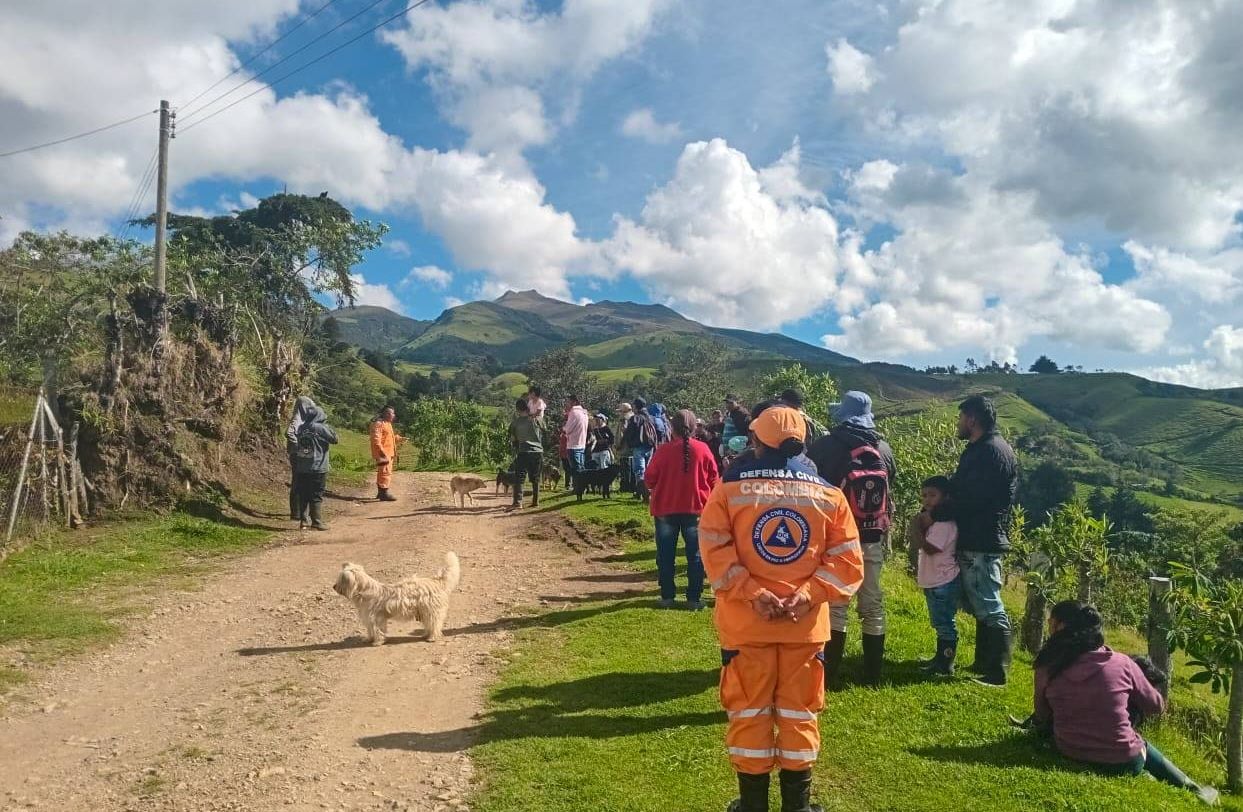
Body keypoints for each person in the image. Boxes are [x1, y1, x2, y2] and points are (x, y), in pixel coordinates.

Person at [700, 406, 864, 812]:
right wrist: (808, 594)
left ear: (756, 440)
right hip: (804, 630)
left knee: (750, 711)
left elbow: (714, 547)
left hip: (746, 627)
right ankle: (799, 806)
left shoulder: (729, 490)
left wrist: (752, 591)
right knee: (799, 715)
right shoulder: (829, 495)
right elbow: (847, 563)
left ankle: (752, 805)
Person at [1031, 601, 1220, 806]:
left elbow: (1041, 714)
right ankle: (1192, 787)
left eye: (1051, 622)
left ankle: (1149, 774)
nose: (1048, 627)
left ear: (1061, 627)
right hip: (1124, 759)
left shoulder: (1047, 664)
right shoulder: (1122, 663)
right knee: (1141, 745)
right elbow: (1156, 707)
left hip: (1068, 748)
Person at [807, 390, 897, 687]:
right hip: (872, 533)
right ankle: (873, 674)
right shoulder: (883, 447)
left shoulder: (826, 447)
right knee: (872, 602)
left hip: (837, 535)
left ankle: (830, 674)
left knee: (837, 602)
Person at [933, 394, 1019, 687]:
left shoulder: (988, 452)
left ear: (972, 419)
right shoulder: (990, 449)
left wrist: (941, 509)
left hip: (981, 536)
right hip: (982, 534)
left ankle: (997, 671)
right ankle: (984, 663)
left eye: (960, 418)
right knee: (981, 599)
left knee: (988, 601)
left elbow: (972, 496)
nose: (958, 424)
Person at [643, 409, 719, 610]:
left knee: (665, 555)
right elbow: (714, 480)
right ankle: (694, 598)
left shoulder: (663, 450)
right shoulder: (703, 449)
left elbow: (649, 479)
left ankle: (667, 596)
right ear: (695, 428)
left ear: (671, 428)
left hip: (665, 510)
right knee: (695, 556)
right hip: (696, 509)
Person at [915, 476, 960, 677]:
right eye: (924, 495)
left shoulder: (944, 524)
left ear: (945, 497)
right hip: (935, 580)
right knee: (939, 622)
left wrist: (916, 530)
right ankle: (940, 657)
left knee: (945, 624)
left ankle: (945, 663)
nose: (927, 500)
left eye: (932, 495)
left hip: (942, 580)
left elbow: (932, 548)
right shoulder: (935, 522)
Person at [288, 404, 338, 531]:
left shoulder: (302, 427)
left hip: (302, 467)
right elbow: (335, 439)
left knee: (303, 493)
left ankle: (303, 521)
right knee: (316, 494)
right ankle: (316, 521)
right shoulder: (320, 428)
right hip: (318, 467)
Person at [507, 397, 544, 511]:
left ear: (517, 410)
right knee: (535, 477)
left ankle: (518, 502)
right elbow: (544, 431)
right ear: (527, 408)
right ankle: (535, 501)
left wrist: (516, 447)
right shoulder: (537, 419)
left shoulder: (515, 423)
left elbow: (513, 439)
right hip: (537, 451)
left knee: (520, 477)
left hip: (523, 451)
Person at [285, 395, 317, 520]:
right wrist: (299, 445)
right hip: (297, 454)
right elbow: (289, 433)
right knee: (298, 482)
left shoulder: (302, 418)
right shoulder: (297, 419)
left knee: (299, 482)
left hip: (299, 454)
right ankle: (296, 513)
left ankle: (297, 512)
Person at [622, 397, 660, 490]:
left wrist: (626, 440)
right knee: (648, 469)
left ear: (635, 406)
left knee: (639, 470)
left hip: (638, 445)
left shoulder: (635, 418)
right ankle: (649, 489)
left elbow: (629, 432)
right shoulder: (651, 417)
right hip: (650, 445)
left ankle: (643, 492)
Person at [369, 405, 403, 502]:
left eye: (393, 413)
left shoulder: (387, 423)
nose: (393, 415)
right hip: (383, 453)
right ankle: (384, 493)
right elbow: (376, 440)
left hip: (388, 453)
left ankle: (381, 492)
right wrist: (381, 452)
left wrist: (399, 438)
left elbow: (388, 437)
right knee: (385, 472)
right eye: (390, 413)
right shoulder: (378, 424)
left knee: (384, 472)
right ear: (385, 413)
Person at [562, 394, 590, 478]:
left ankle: (578, 487)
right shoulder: (584, 412)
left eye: (568, 401)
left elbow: (568, 429)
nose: (567, 404)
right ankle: (583, 486)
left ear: (573, 402)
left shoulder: (574, 412)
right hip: (581, 443)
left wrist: (564, 428)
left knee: (575, 469)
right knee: (581, 466)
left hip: (573, 444)